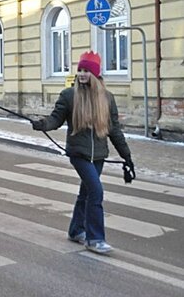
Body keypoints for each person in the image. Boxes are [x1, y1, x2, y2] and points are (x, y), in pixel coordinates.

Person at [31, 51, 134, 255]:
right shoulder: (69, 95)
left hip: (99, 155)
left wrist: (127, 156)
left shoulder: (107, 98)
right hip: (78, 153)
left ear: (95, 74)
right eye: (80, 70)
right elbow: (56, 119)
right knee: (96, 191)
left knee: (86, 193)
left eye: (86, 70)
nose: (82, 74)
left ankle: (76, 230)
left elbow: (114, 130)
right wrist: (43, 124)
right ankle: (95, 239)